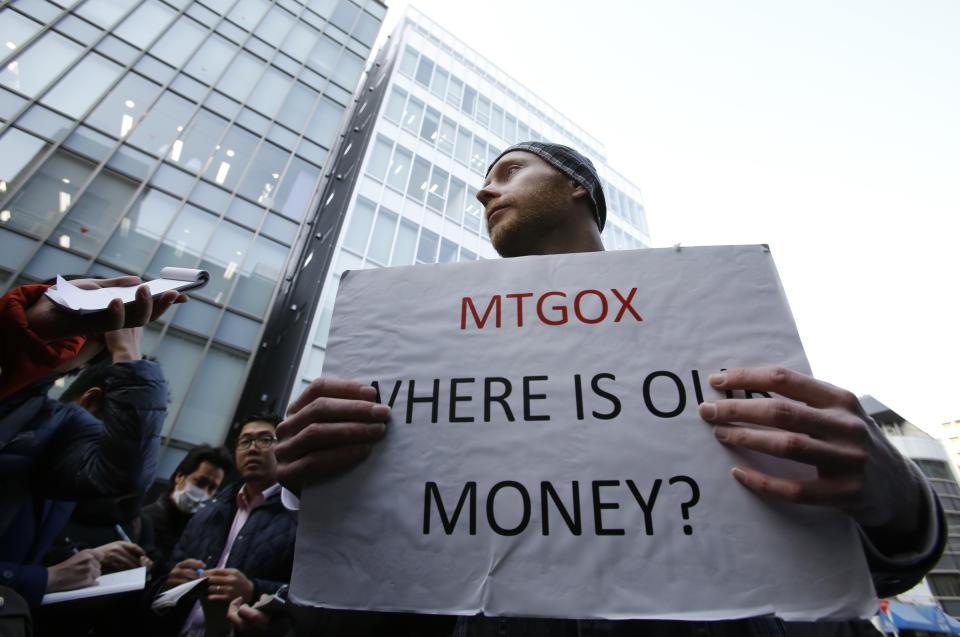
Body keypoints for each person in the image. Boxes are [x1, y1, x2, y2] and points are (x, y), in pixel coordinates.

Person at [272, 142, 944, 635]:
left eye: (507, 173)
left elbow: (837, 565)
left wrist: (901, 501)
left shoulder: (714, 317)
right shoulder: (426, 361)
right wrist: (335, 495)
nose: (483, 193)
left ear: (577, 189)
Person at [0, 321, 168, 607]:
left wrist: (83, 558)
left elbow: (126, 473)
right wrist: (43, 578)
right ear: (91, 403)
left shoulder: (53, 444)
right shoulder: (29, 423)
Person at [154, 415, 296, 637]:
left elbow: (306, 598)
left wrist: (254, 590)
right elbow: (165, 584)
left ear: (285, 447)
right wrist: (169, 583)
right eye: (245, 441)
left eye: (265, 440)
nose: (253, 448)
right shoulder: (207, 512)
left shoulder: (298, 517)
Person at [143, 445, 233, 566]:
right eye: (200, 482)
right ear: (179, 476)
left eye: (212, 488)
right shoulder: (145, 520)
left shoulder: (205, 534)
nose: (204, 492)